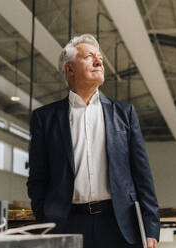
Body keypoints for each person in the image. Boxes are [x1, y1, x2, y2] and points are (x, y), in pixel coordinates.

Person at [27, 34, 160, 248]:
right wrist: (44, 221)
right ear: (69, 69)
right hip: (67, 223)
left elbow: (142, 174)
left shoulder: (124, 113)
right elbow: (37, 178)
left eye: (99, 57)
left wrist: (151, 226)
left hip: (119, 225)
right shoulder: (44, 118)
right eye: (89, 57)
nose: (99, 61)